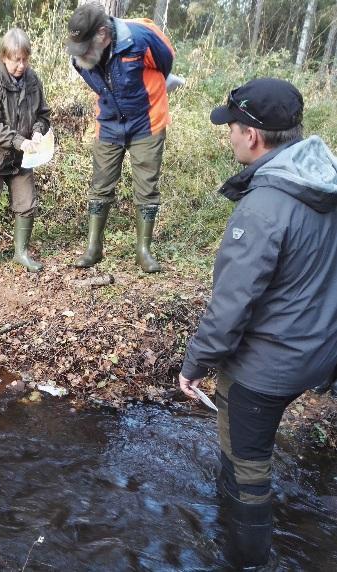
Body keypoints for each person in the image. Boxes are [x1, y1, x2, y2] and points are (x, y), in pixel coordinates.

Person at [178, 78, 337, 568]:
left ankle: (245, 559)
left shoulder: (264, 207)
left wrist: (195, 364)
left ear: (252, 136)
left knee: (246, 470)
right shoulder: (325, 180)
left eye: (232, 127)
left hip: (265, 369)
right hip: (321, 352)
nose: (228, 136)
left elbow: (231, 307)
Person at [66, 2, 174, 273]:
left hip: (146, 120)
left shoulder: (140, 38)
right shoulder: (80, 55)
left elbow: (166, 61)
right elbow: (93, 78)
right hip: (110, 121)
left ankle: (143, 250)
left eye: (86, 48)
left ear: (103, 34)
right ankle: (94, 248)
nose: (81, 55)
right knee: (101, 183)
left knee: (146, 186)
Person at [0, 27, 51, 280]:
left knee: (26, 204)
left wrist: (38, 131)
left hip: (22, 157)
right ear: (4, 56)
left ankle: (21, 252)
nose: (21, 65)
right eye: (17, 60)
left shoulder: (32, 79)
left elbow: (43, 114)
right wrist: (18, 140)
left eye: (25, 59)